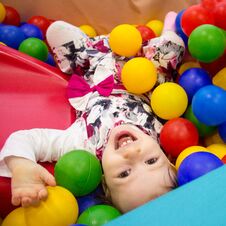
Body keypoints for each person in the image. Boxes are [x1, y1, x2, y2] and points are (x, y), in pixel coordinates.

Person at [0, 12, 185, 213]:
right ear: (167, 156)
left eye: (124, 174)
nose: (132, 152)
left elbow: (25, 138)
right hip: (143, 73)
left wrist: (21, 166)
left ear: (104, 182)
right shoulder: (162, 134)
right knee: (172, 48)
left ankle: (90, 42)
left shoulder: (82, 145)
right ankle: (169, 29)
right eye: (151, 161)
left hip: (96, 70)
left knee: (57, 31)